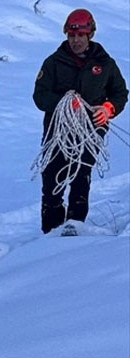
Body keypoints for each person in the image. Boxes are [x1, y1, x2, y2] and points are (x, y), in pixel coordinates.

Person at [32, 8, 126, 233]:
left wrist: (109, 108)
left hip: (91, 132)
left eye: (80, 36)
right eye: (71, 36)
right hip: (58, 134)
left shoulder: (105, 64)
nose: (75, 41)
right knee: (52, 183)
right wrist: (63, 104)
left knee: (81, 180)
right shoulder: (53, 63)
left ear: (89, 35)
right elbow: (40, 95)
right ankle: (51, 232)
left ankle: (74, 230)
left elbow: (120, 93)